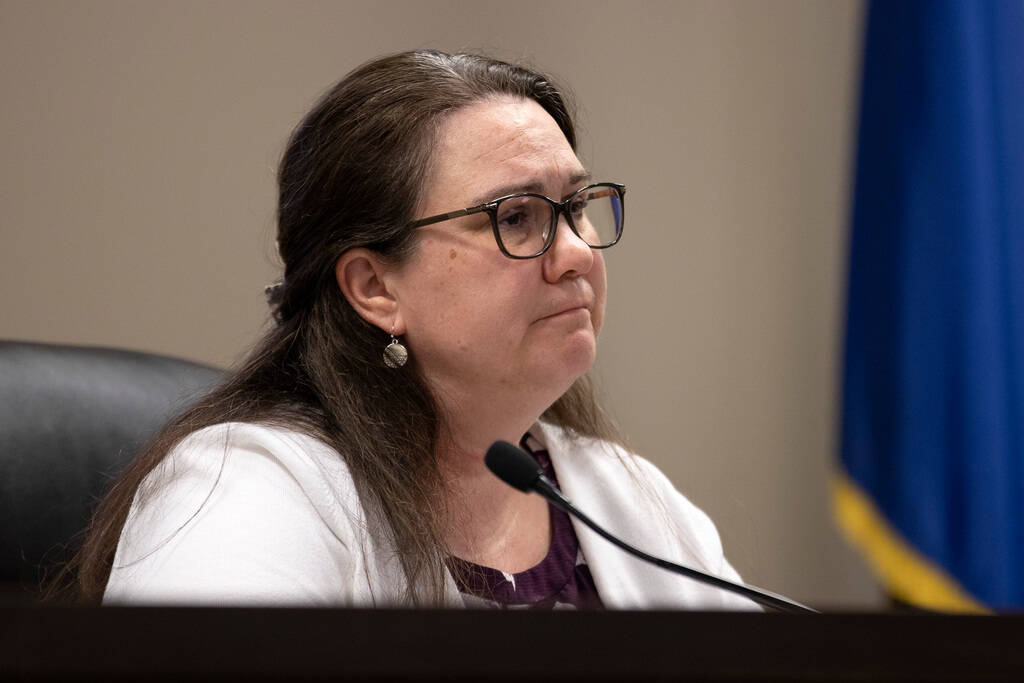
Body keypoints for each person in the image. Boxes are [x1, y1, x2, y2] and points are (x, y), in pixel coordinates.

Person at [72, 50, 752, 609]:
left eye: (576, 205)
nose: (576, 250)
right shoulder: (245, 489)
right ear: (374, 287)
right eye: (516, 216)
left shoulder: (623, 495)